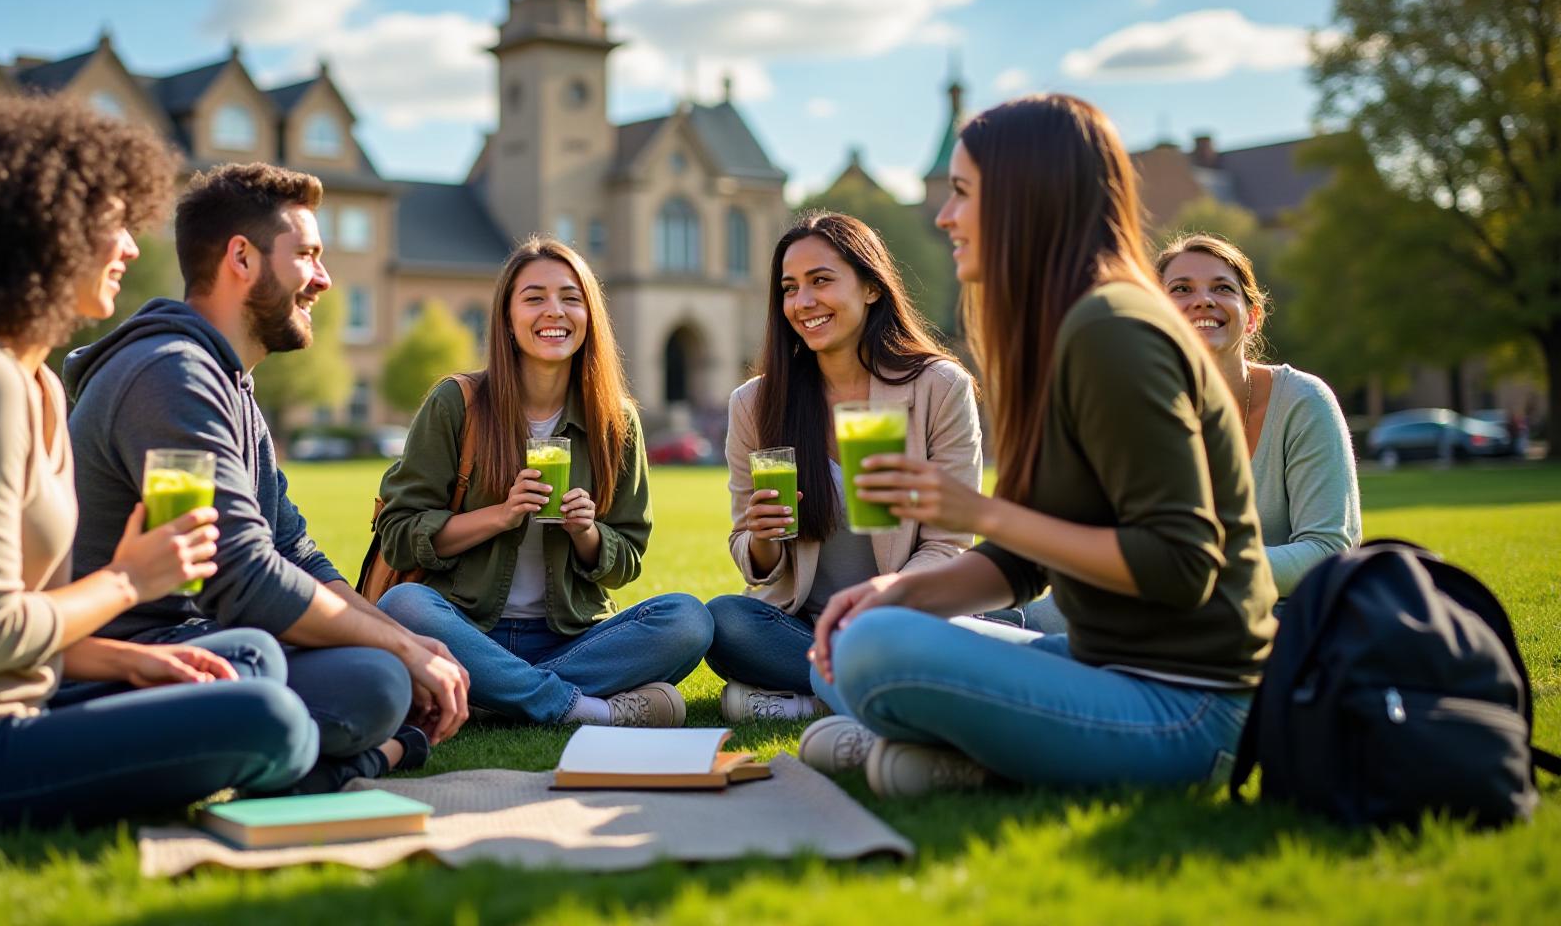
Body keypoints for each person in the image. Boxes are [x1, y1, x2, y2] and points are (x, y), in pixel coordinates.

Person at [0, 98, 318, 830]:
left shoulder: (41, 385)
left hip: (8, 710)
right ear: (45, 230)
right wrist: (128, 579)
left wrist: (128, 662)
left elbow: (25, 631)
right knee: (273, 718)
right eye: (113, 223)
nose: (131, 247)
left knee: (247, 657)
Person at [801, 94, 1277, 799]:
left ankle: (970, 754)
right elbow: (1023, 563)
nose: (943, 216)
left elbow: (1181, 565)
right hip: (1103, 663)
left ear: (1027, 197)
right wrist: (896, 589)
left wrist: (976, 510)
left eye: (962, 193)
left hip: (1193, 706)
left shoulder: (1114, 329)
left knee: (874, 649)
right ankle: (962, 755)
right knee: (844, 641)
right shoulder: (1065, 330)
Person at [65, 163, 465, 785]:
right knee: (377, 681)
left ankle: (324, 752)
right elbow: (245, 578)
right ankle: (365, 756)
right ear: (242, 259)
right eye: (307, 254)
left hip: (212, 638)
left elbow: (292, 549)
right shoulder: (171, 375)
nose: (325, 280)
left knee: (383, 666)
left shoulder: (229, 385)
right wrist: (400, 652)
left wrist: (402, 636)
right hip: (132, 659)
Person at [375, 237, 714, 728]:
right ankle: (575, 705)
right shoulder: (457, 403)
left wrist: (587, 533)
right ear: (508, 320)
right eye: (534, 297)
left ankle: (493, 693)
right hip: (467, 627)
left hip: (571, 637)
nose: (553, 311)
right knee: (403, 605)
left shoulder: (615, 422)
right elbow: (400, 534)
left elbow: (628, 559)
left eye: (570, 298)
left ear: (589, 316)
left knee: (689, 620)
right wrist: (500, 516)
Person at [710, 212, 980, 721]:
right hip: (804, 626)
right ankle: (862, 689)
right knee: (726, 622)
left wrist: (882, 603)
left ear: (872, 287)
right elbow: (748, 555)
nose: (803, 302)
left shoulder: (939, 387)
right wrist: (764, 539)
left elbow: (949, 544)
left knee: (1021, 619)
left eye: (821, 281)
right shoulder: (755, 403)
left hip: (902, 613)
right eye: (790, 288)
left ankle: (809, 701)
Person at [1018, 233, 1358, 633]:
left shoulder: (1302, 402)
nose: (1203, 301)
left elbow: (1328, 553)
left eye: (1222, 288)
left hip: (1263, 626)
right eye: (1180, 290)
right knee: (1008, 633)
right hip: (1131, 612)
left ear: (1251, 318)